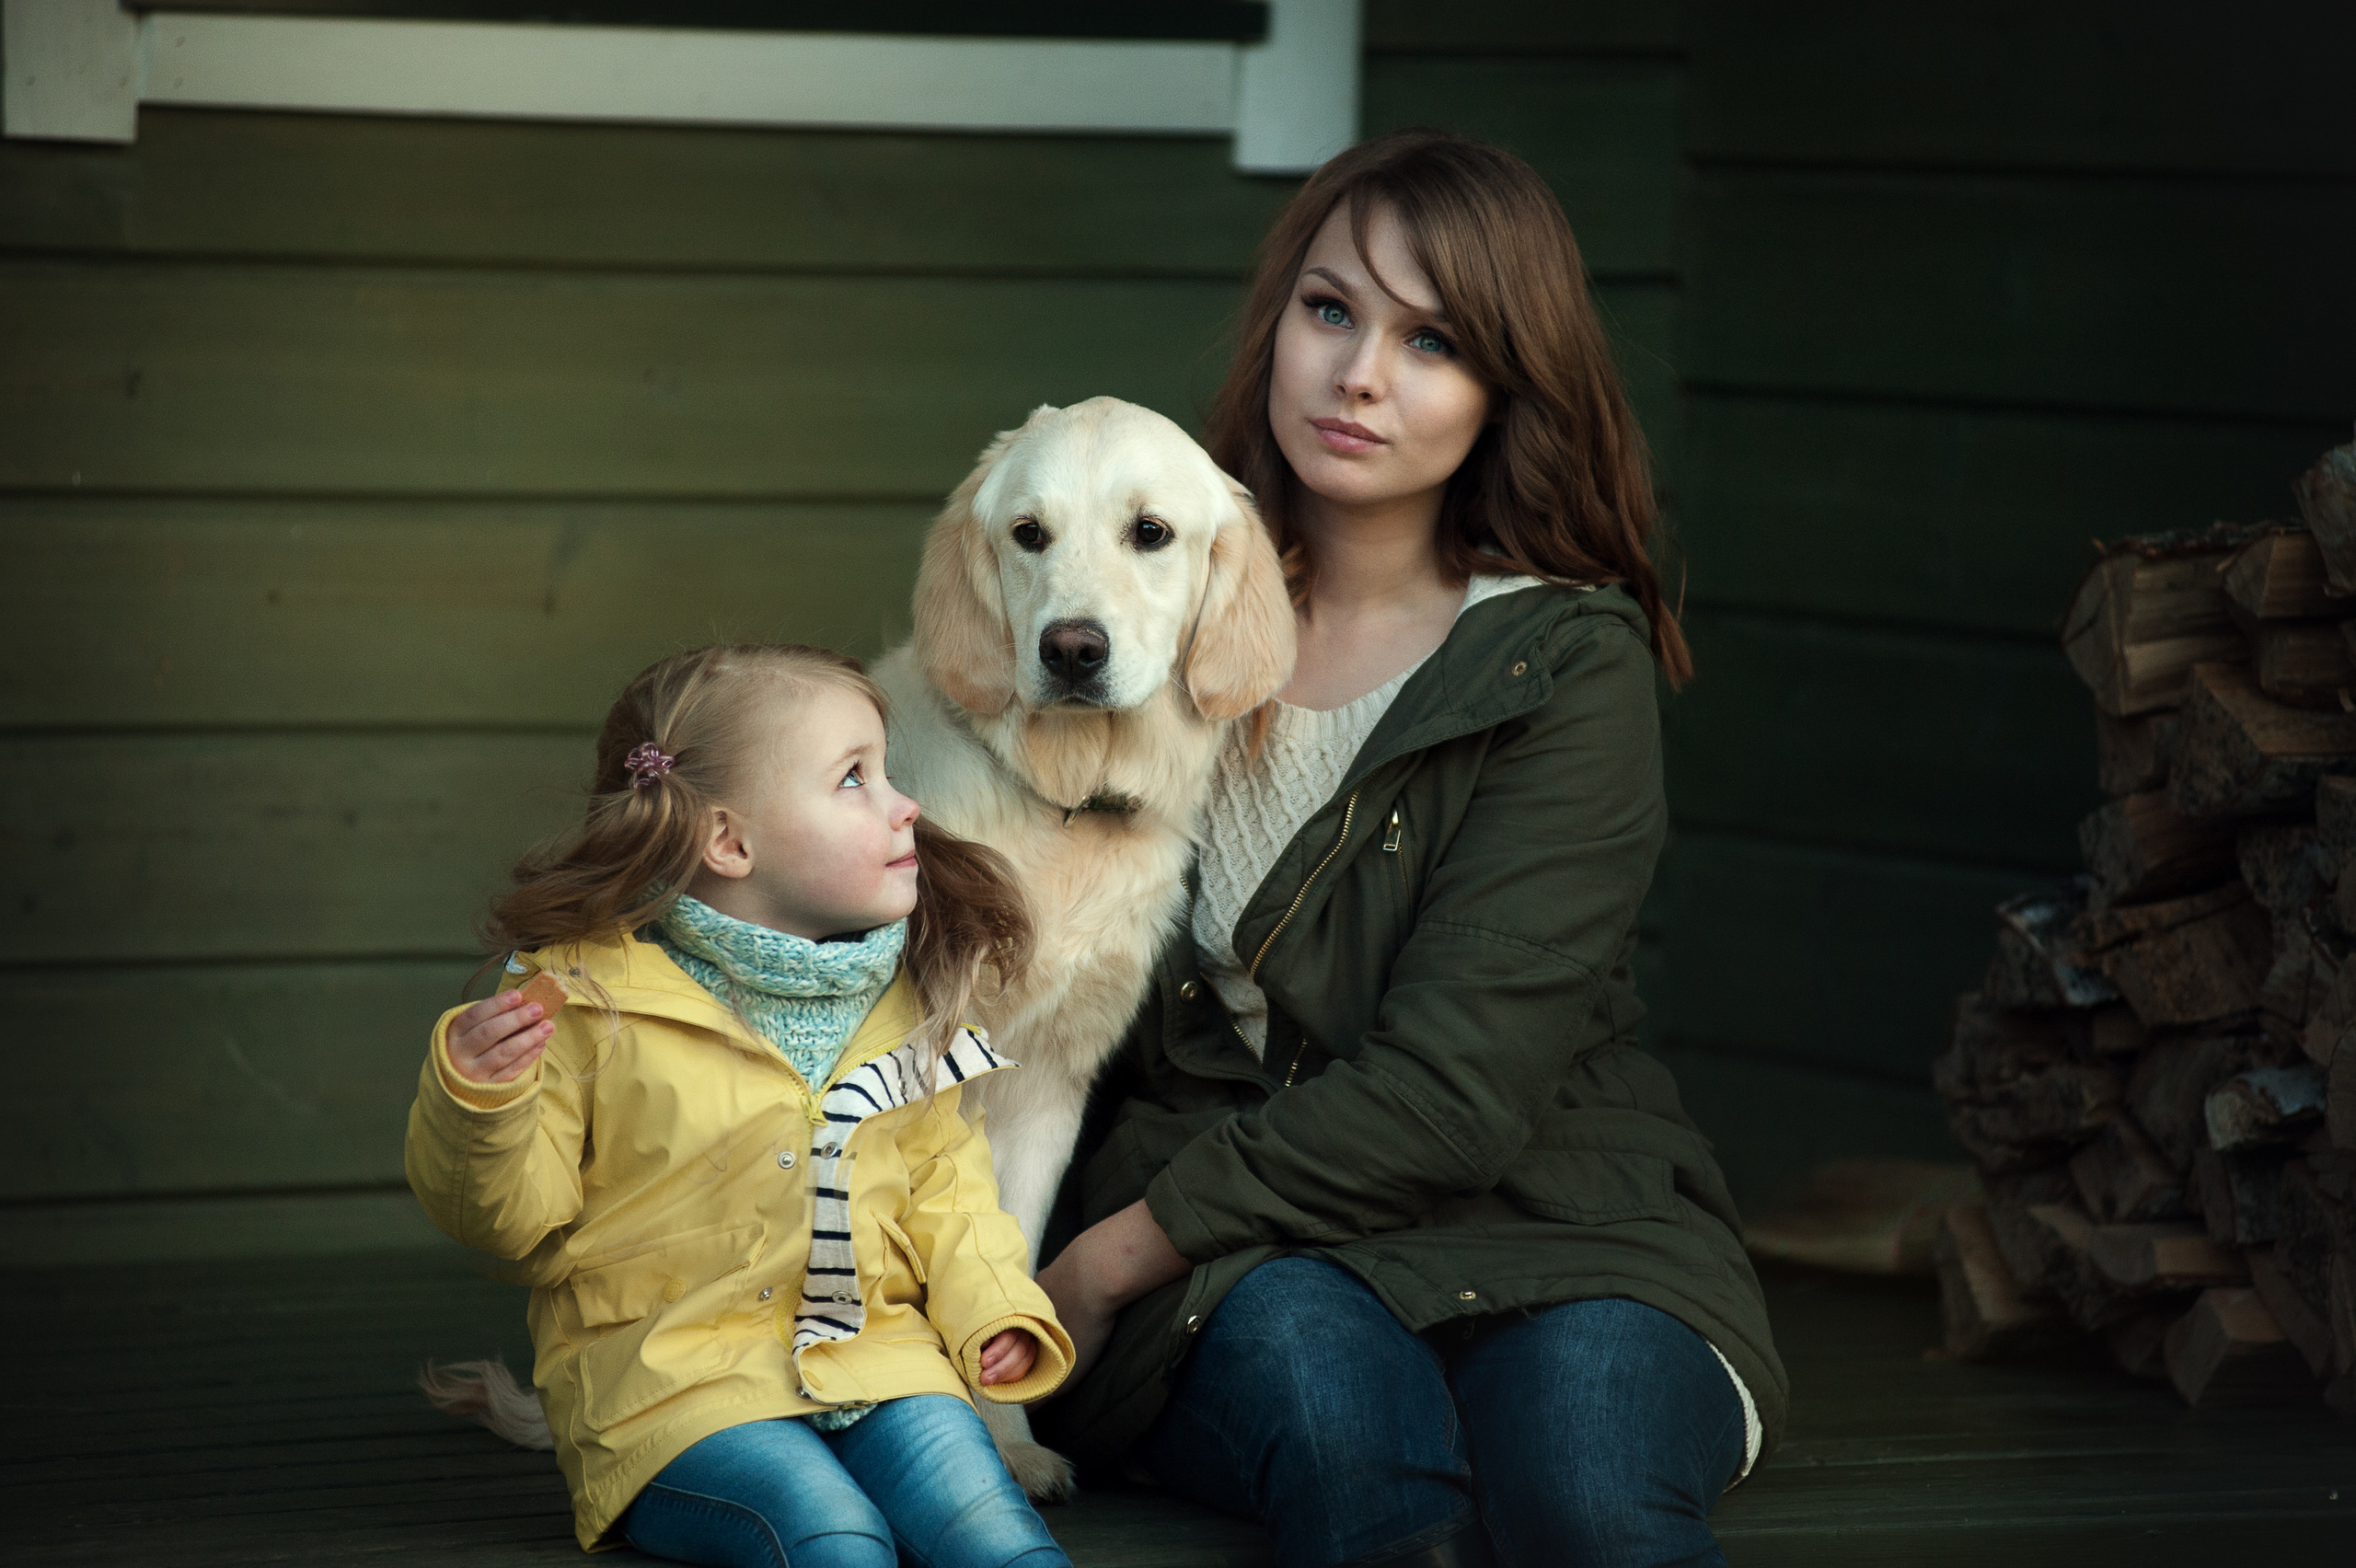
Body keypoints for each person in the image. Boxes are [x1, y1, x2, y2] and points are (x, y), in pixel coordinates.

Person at [1032, 130, 1788, 1568]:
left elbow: (1456, 1095)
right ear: (1279, 325)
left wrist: (1106, 1254)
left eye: (1431, 339)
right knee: (1363, 1468)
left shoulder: (1561, 660)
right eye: (1332, 311)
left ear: (1506, 388)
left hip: (1558, 1218)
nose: (1360, 373)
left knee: (1590, 1503)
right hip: (1249, 1256)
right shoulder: (1124, 605)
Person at [405, 643, 1076, 1568]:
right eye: (854, 779)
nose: (903, 803)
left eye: (889, 772)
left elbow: (949, 1197)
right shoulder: (586, 999)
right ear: (729, 843)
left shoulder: (904, 997)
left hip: (878, 1361)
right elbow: (510, 1225)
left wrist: (992, 1311)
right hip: (674, 1388)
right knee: (833, 1538)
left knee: (995, 1535)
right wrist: (481, 1101)